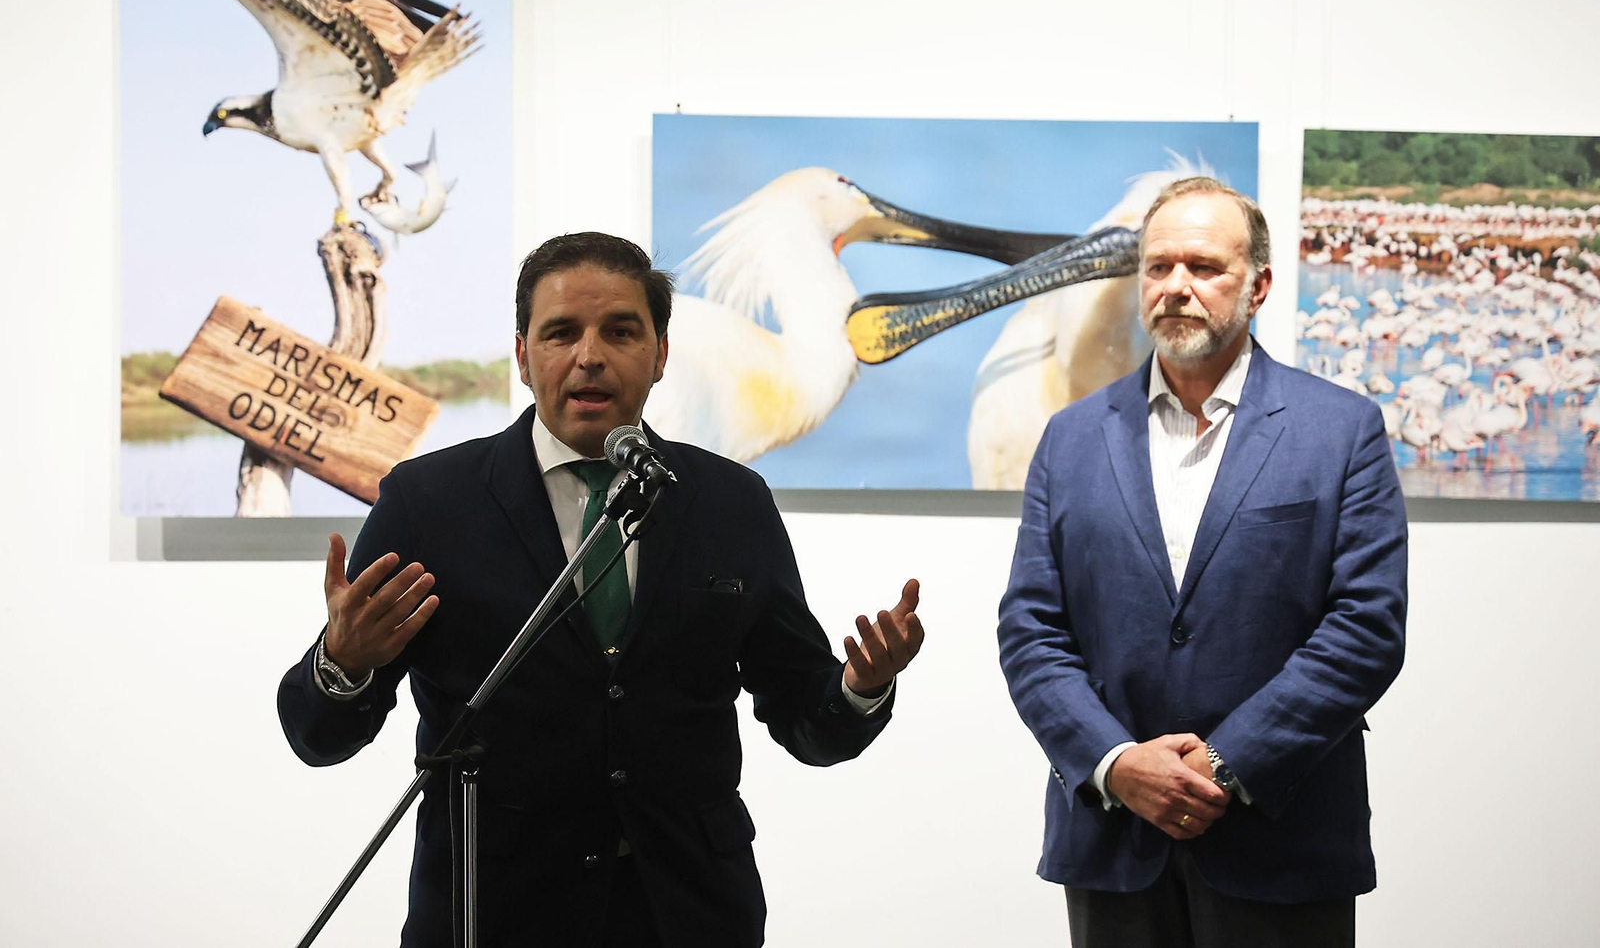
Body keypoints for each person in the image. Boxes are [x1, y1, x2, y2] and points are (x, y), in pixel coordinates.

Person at [279, 232, 924, 947]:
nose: (590, 355)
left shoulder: (729, 501)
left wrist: (860, 685)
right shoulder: (430, 503)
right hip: (493, 912)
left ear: (661, 353)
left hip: (690, 912)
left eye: (621, 331)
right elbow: (317, 735)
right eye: (561, 333)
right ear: (523, 356)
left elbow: (809, 718)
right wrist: (343, 661)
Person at [997, 178, 1406, 947]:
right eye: (1158, 267)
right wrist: (1116, 762)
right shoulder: (1071, 437)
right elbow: (1031, 630)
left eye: (1205, 267)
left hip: (1282, 842)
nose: (1176, 287)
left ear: (1259, 286)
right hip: (1114, 846)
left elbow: (1366, 629)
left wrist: (1227, 761)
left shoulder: (1341, 431)